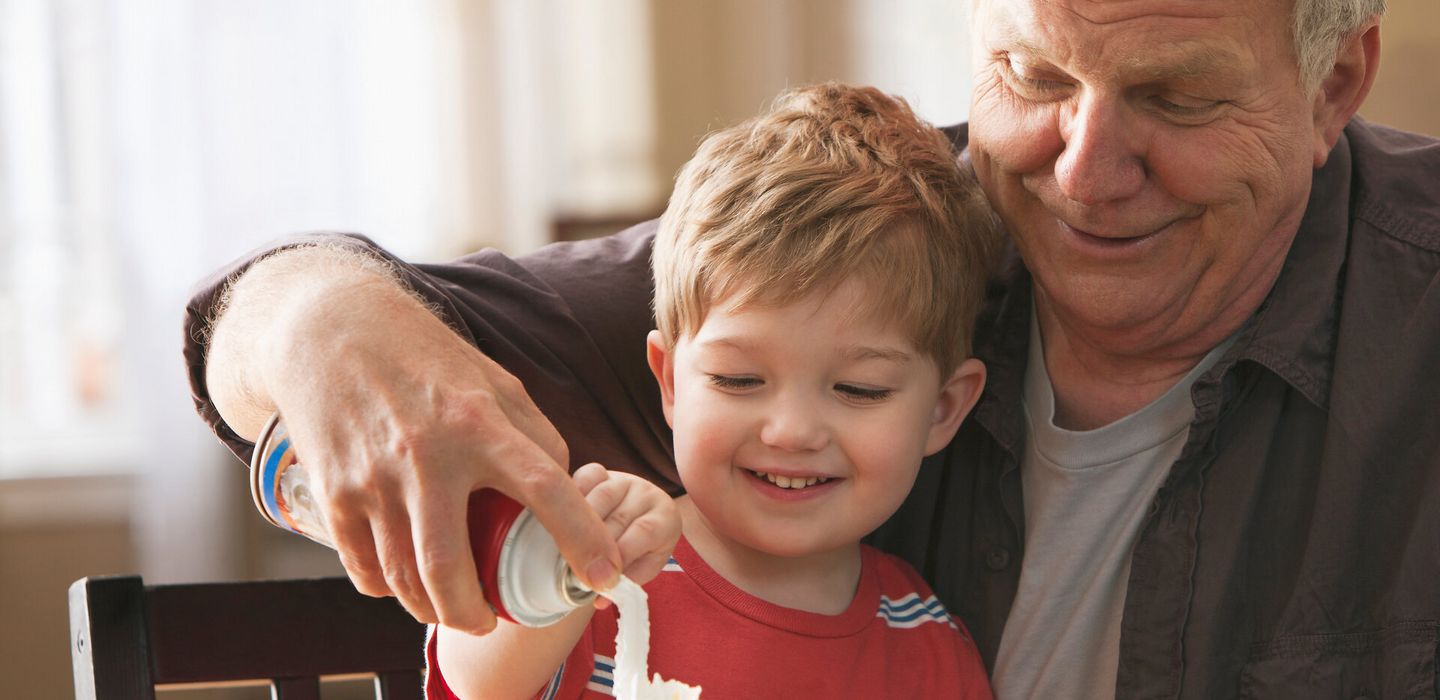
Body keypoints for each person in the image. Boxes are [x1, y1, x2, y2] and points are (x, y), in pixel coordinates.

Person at [187, 0, 1440, 697]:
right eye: (1034, 72)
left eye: (1177, 97)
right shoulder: (857, 254)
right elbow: (260, 327)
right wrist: (321, 325)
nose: (1084, 171)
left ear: (1336, 85)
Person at [427, 83, 996, 699]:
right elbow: (475, 681)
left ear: (943, 409)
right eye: (739, 380)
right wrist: (568, 562)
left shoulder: (930, 644)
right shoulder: (610, 578)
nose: (791, 431)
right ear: (671, 381)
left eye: (859, 389)